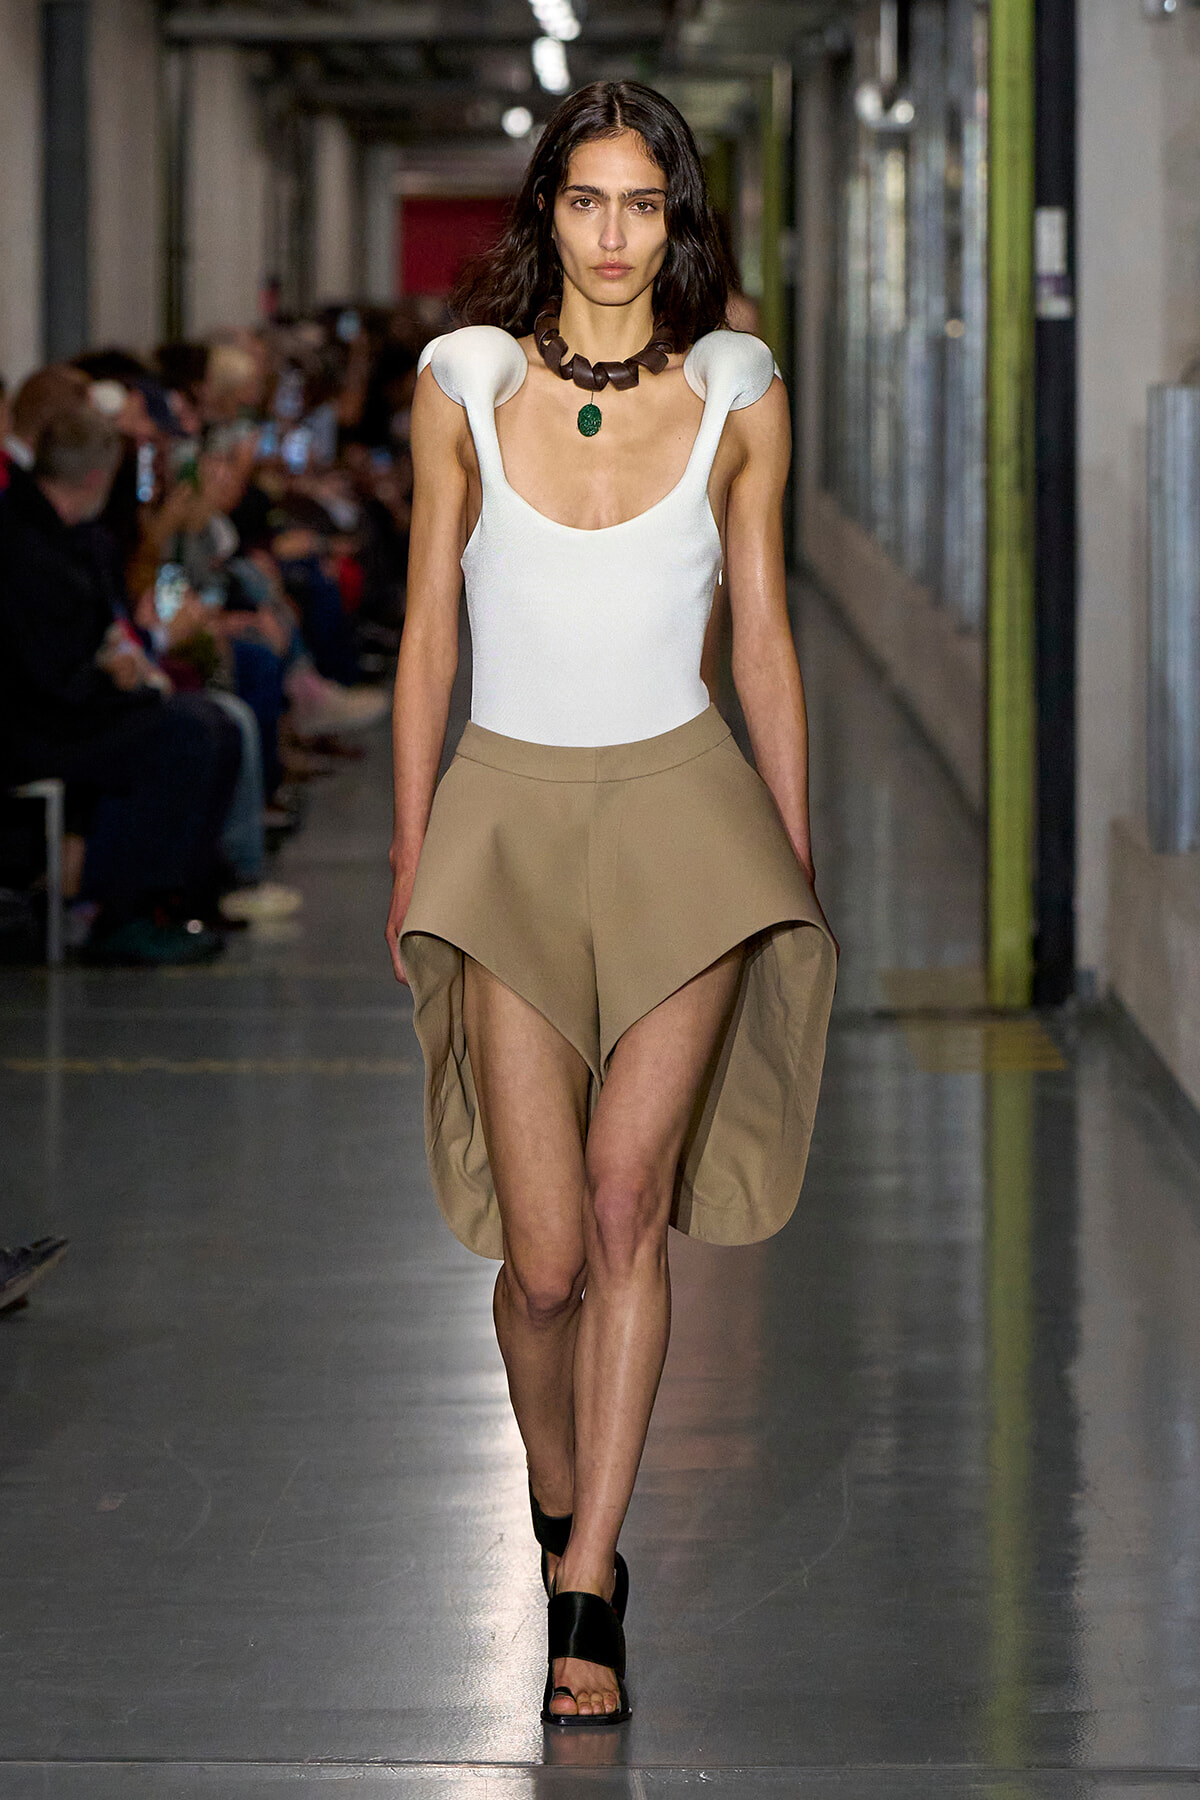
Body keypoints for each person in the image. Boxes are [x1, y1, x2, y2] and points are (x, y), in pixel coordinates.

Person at [385, 81, 838, 1727]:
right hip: (504, 818)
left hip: (685, 819)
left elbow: (768, 640)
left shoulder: (738, 387)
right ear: (545, 212)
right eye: (587, 200)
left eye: (644, 204)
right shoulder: (463, 383)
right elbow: (429, 635)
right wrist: (410, 846)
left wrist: (793, 854)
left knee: (632, 1203)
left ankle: (591, 1587)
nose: (615, 233)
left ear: (678, 221)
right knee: (550, 1259)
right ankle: (560, 1494)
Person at [0, 408, 240, 964]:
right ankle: (123, 910)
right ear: (95, 478)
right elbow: (47, 673)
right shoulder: (26, 549)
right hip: (38, 724)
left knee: (212, 723)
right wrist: (115, 673)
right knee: (187, 735)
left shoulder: (71, 537)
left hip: (69, 706)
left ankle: (180, 894)